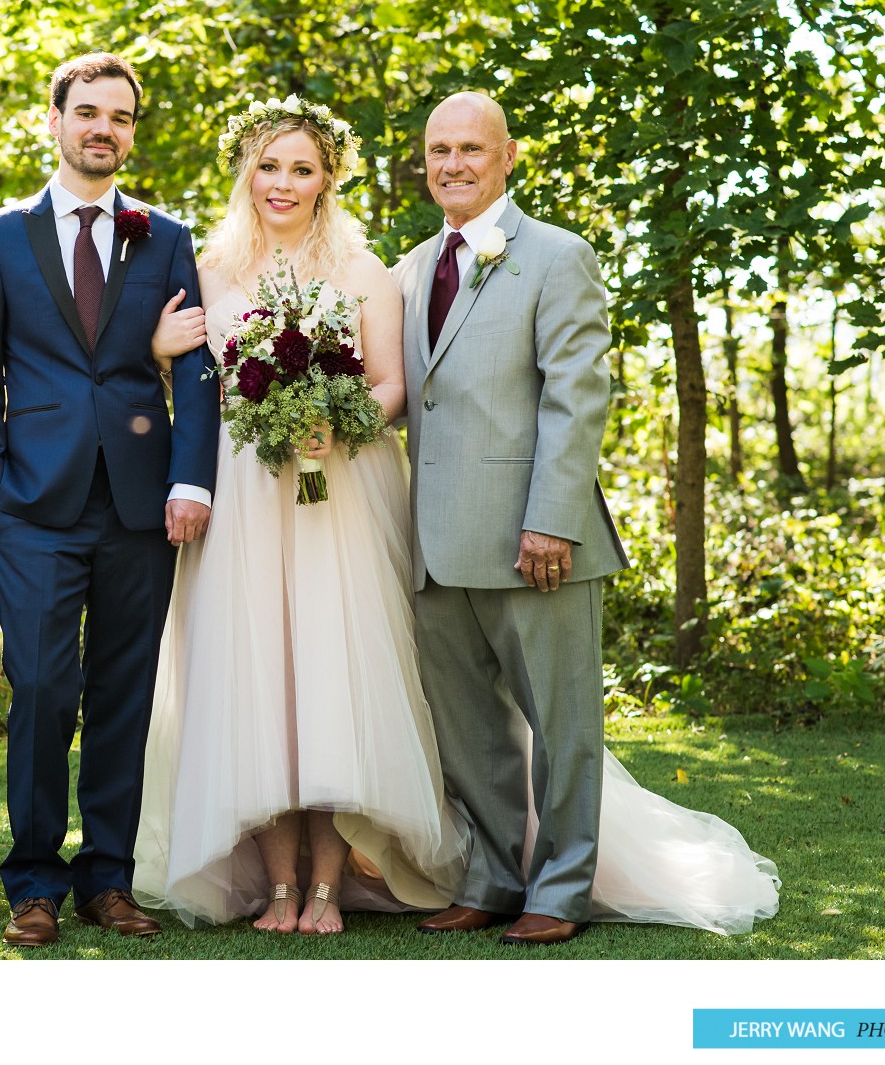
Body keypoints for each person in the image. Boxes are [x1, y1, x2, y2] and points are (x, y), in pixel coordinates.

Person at [138, 92, 780, 942]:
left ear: (507, 156)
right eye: (439, 150)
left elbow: (573, 400)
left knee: (557, 720)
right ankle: (491, 878)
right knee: (465, 723)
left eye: (470, 149)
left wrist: (549, 514)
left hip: (494, 526)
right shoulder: (406, 266)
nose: (453, 164)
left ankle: (559, 886)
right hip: (390, 526)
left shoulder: (552, 256)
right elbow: (382, 386)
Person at [134, 99, 470, 932]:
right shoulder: (208, 266)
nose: (282, 183)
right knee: (260, 680)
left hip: (338, 494)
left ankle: (326, 884)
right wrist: (154, 352)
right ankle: (278, 885)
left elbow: (392, 387)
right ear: (246, 170)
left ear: (327, 182)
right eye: (270, 165)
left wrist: (340, 416)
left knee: (328, 675)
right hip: (246, 497)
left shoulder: (363, 272)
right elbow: (180, 377)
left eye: (302, 169)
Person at [0, 54, 222, 943]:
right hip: (32, 503)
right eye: (90, 112)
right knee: (39, 692)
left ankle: (110, 880)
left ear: (132, 132)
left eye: (122, 117)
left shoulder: (166, 237)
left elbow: (201, 367)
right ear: (56, 120)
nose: (106, 128)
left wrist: (190, 478)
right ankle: (33, 882)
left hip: (141, 507)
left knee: (123, 696)